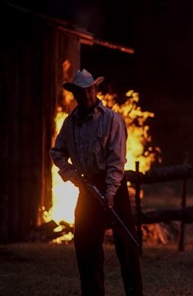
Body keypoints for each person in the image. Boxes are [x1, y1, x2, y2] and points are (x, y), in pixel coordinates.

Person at [49, 69, 143, 296]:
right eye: (81, 92)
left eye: (90, 90)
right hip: (86, 186)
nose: (86, 95)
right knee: (85, 245)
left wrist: (110, 190)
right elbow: (57, 152)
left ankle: (134, 292)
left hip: (113, 187)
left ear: (95, 89)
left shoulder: (112, 120)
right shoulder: (70, 124)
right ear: (75, 95)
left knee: (126, 246)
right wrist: (73, 176)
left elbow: (116, 159)